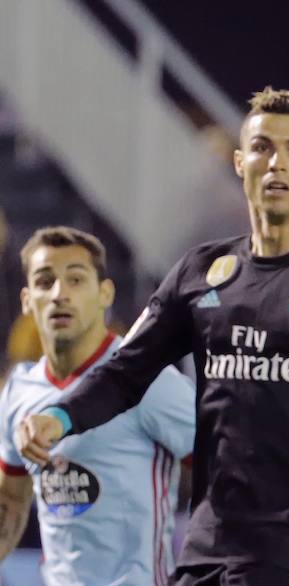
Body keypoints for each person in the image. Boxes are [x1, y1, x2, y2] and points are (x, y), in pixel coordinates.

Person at [15, 88, 289, 586]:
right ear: (240, 161)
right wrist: (59, 416)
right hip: (203, 553)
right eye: (262, 147)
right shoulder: (199, 272)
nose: (276, 162)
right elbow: (126, 371)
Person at [0, 226, 194, 585]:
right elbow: (11, 501)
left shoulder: (148, 379)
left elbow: (226, 467)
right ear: (26, 300)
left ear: (105, 293)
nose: (60, 294)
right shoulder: (19, 390)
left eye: (76, 280)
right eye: (45, 282)